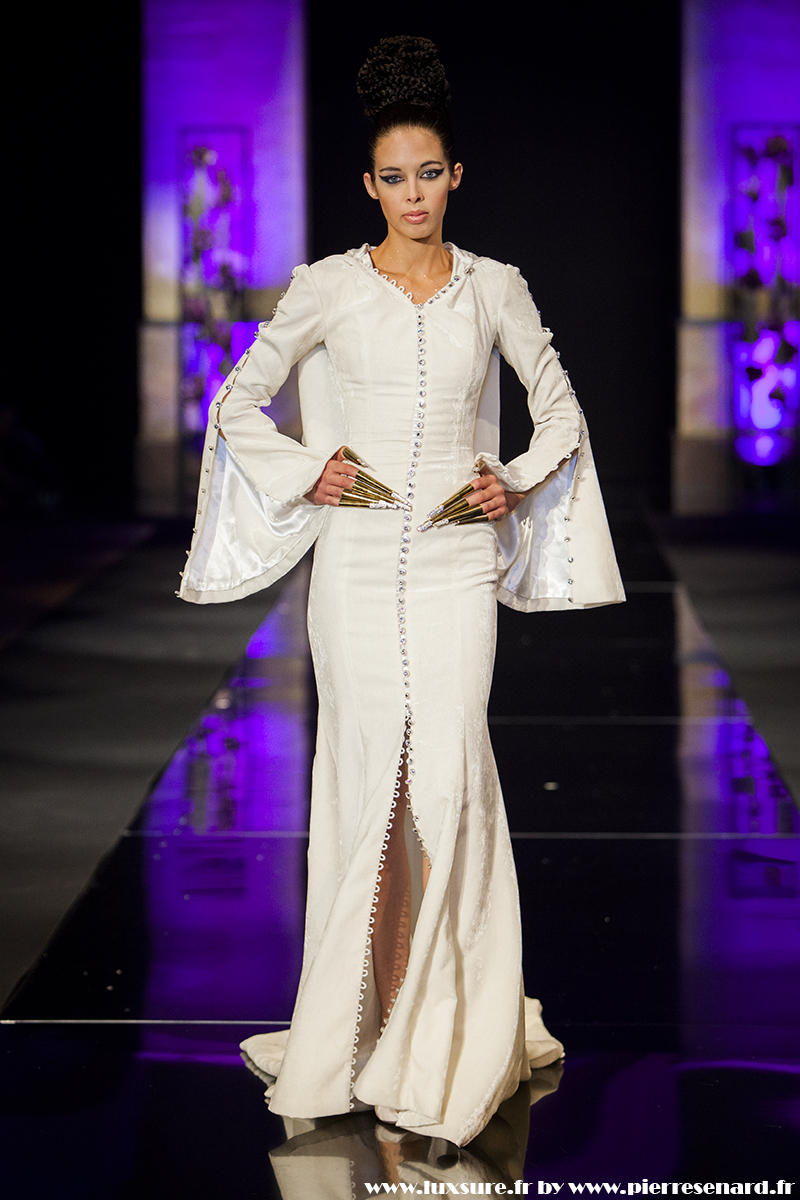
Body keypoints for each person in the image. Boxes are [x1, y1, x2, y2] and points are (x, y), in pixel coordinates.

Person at [179, 36, 624, 1147]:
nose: (413, 194)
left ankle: (449, 1033)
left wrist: (513, 477)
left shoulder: (495, 287)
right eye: (393, 177)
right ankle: (365, 1024)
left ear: (455, 177)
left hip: (455, 561)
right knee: (366, 778)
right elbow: (235, 403)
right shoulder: (327, 286)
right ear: (368, 185)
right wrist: (305, 471)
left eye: (429, 173)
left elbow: (561, 410)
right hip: (354, 567)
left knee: (452, 771)